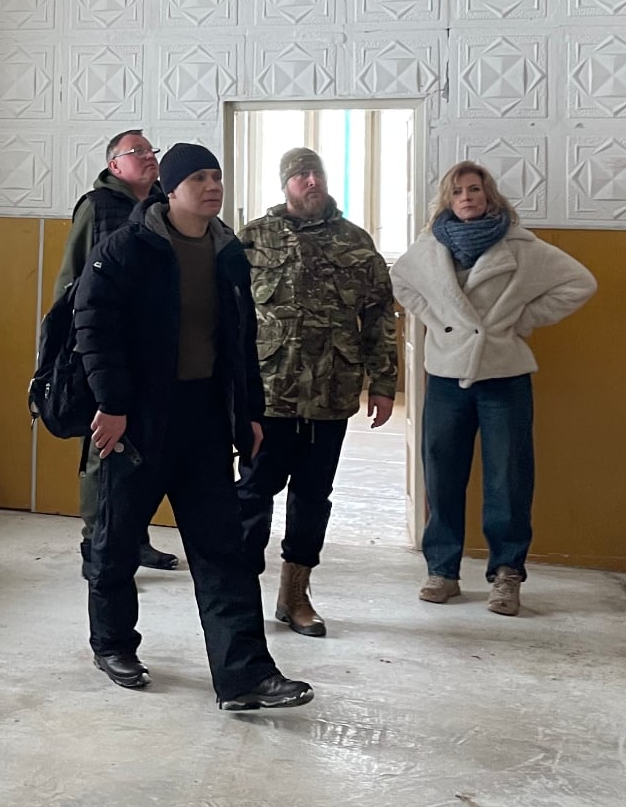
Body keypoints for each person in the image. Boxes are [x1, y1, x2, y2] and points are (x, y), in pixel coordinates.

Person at [74, 142, 312, 712]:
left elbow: (241, 339)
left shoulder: (227, 251)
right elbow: (93, 326)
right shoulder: (127, 248)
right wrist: (112, 404)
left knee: (222, 549)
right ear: (172, 190)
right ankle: (113, 645)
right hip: (136, 420)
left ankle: (244, 676)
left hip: (204, 419)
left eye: (217, 177)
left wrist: (249, 413)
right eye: (199, 178)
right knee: (115, 541)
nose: (212, 186)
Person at [391, 160, 596, 616]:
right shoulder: (429, 247)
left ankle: (507, 573)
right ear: (447, 200)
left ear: (489, 196)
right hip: (446, 375)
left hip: (504, 375)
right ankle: (442, 570)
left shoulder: (520, 246)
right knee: (441, 474)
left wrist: (521, 321)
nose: (466, 198)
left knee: (509, 477)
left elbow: (580, 283)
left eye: (474, 190)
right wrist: (435, 319)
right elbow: (401, 282)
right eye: (457, 191)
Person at [236, 147, 397, 639]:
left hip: (331, 394)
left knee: (312, 497)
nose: (312, 181)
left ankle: (295, 595)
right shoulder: (252, 240)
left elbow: (379, 317)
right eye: (301, 175)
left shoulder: (355, 242)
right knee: (252, 494)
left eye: (317, 173)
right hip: (269, 395)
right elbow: (227, 318)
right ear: (285, 184)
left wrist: (384, 383)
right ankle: (239, 596)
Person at [50, 128, 176, 574]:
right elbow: (70, 279)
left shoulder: (165, 207)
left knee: (146, 449)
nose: (148, 156)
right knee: (103, 450)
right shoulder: (96, 207)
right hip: (102, 347)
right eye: (136, 151)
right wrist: (71, 347)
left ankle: (134, 539)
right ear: (114, 165)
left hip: (154, 353)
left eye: (150, 150)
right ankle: (96, 546)